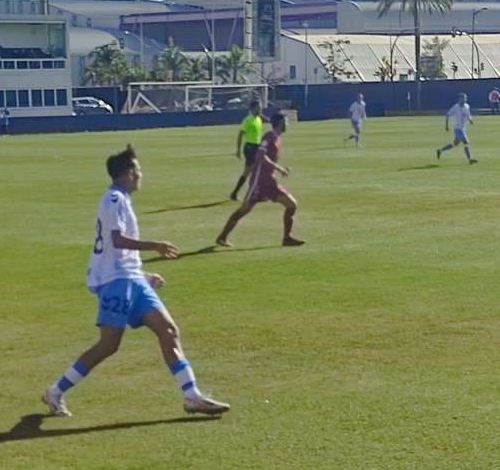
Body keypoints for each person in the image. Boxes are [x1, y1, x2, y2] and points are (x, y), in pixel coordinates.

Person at [42, 145, 230, 419]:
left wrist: (142, 274)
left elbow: (117, 250)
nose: (141, 174)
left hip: (131, 279)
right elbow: (117, 241)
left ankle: (192, 396)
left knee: (169, 331)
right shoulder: (114, 200)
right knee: (108, 345)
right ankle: (55, 391)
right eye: (138, 169)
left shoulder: (122, 199)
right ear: (129, 172)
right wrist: (155, 245)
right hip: (115, 282)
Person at [216, 112, 305, 248]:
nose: (287, 124)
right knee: (243, 210)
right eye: (286, 121)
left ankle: (287, 238)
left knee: (292, 204)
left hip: (271, 182)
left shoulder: (276, 139)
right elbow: (260, 155)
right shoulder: (268, 137)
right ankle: (222, 237)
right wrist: (279, 168)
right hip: (259, 182)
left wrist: (278, 170)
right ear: (281, 123)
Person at [230, 99, 263, 200]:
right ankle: (252, 194)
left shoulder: (259, 119)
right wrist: (238, 149)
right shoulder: (248, 120)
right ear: (252, 109)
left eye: (260, 107)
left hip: (257, 147)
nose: (260, 109)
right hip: (250, 148)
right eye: (258, 107)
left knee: (249, 172)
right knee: (253, 171)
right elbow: (240, 134)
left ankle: (235, 194)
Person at [437, 93, 477, 163]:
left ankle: (440, 150)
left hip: (463, 128)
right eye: (463, 98)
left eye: (465, 98)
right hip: (457, 128)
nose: (464, 100)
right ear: (460, 99)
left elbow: (468, 115)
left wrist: (470, 120)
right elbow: (448, 115)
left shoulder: (467, 106)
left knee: (455, 144)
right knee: (465, 142)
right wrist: (446, 126)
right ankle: (470, 159)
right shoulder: (456, 107)